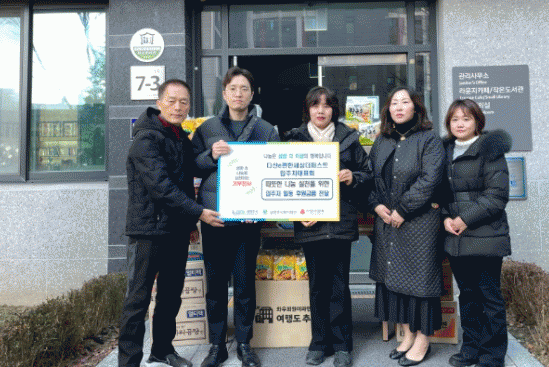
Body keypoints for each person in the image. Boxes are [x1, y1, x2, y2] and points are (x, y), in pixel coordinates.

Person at [118, 79, 223, 367]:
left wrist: (213, 156)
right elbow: (162, 188)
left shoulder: (179, 137)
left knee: (170, 296)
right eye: (172, 101)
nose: (178, 107)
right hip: (147, 231)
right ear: (159, 102)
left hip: (175, 231)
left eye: (184, 102)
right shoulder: (146, 139)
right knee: (137, 300)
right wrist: (199, 213)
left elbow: (189, 177)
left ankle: (162, 349)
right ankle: (128, 362)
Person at [191, 67, 281, 367]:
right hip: (215, 218)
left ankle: (244, 343)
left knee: (244, 285)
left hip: (247, 222)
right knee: (215, 286)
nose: (238, 94)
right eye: (233, 88)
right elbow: (192, 165)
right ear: (224, 93)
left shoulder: (266, 130)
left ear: (252, 94)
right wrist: (210, 156)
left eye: (244, 88)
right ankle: (217, 345)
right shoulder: (208, 128)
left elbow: (275, 171)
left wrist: (261, 210)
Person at [284, 87, 372, 367]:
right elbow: (285, 182)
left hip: (340, 222)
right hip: (310, 224)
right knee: (317, 287)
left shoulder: (349, 139)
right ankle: (319, 343)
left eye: (326, 105)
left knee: (339, 286)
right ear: (307, 109)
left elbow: (367, 174)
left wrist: (352, 177)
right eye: (315, 105)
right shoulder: (295, 140)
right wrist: (297, 213)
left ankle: (343, 345)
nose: (321, 110)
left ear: (334, 109)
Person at [368, 86, 445, 366]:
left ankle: (423, 339)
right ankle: (408, 335)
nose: (399, 107)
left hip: (420, 223)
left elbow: (430, 179)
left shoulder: (429, 139)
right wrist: (376, 205)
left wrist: (403, 209)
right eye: (394, 103)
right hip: (388, 222)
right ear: (388, 110)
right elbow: (369, 178)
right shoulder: (382, 140)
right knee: (395, 281)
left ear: (416, 107)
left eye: (405, 102)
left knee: (421, 283)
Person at [440, 99, 512, 367]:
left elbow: (497, 196)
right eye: (455, 119)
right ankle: (470, 348)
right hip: (456, 237)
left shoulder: (490, 150)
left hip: (485, 236)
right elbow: (440, 194)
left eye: (466, 118)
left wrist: (464, 220)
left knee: (488, 298)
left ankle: (492, 356)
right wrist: (445, 218)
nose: (460, 124)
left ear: (477, 122)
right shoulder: (445, 151)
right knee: (468, 295)